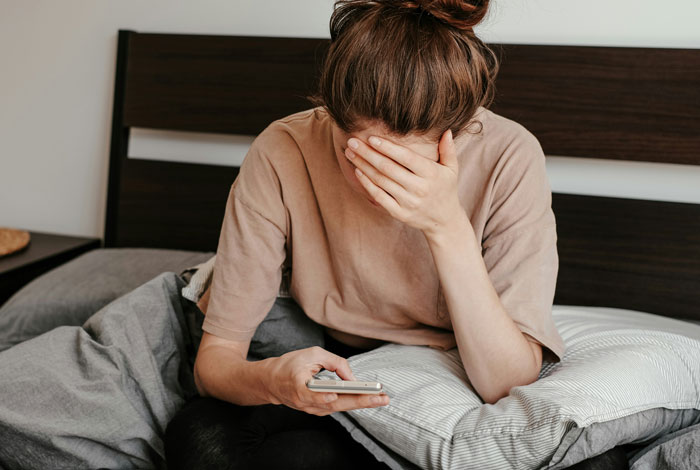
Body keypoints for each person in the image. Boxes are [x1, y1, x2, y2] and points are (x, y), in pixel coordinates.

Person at [165, 0, 566, 468]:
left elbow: (507, 381)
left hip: (454, 364)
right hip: (329, 354)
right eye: (355, 156)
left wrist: (446, 225)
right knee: (199, 439)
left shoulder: (510, 156)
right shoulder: (283, 149)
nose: (372, 186)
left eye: (403, 166)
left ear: (456, 135)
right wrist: (274, 379)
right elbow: (215, 365)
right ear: (329, 115)